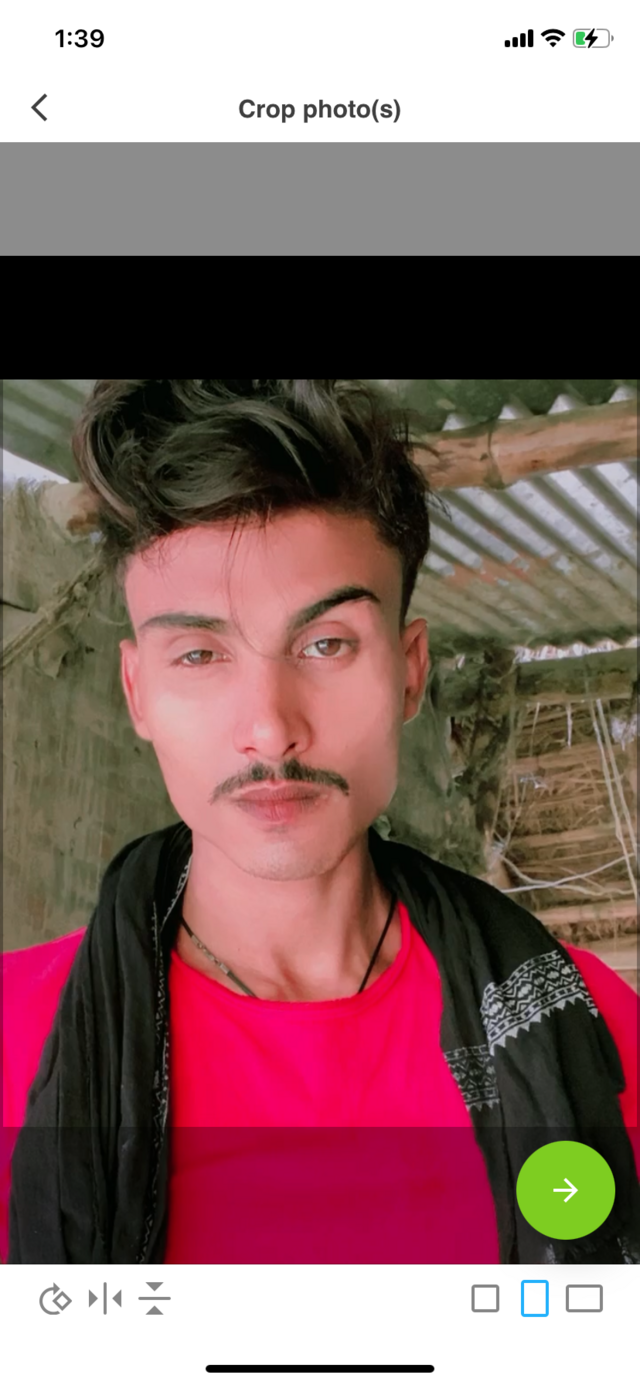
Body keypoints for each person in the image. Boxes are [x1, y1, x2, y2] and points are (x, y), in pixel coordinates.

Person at [2, 379, 638, 1266]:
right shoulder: (16, 1036)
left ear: (410, 671)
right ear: (138, 692)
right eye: (200, 653)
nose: (270, 727)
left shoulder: (590, 1031)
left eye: (326, 643)